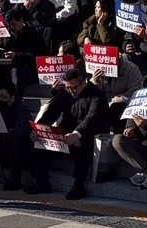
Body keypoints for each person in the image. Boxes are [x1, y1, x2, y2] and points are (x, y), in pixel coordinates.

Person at [28, 65, 109, 200]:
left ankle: (79, 185)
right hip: (65, 133)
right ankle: (41, 181)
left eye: (74, 87)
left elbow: (91, 118)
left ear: (84, 82)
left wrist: (76, 134)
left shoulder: (97, 95)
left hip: (88, 134)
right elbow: (51, 112)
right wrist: (38, 129)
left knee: (83, 145)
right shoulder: (64, 93)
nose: (71, 91)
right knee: (37, 141)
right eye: (68, 87)